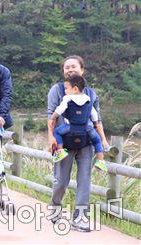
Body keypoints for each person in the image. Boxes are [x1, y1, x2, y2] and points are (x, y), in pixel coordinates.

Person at [47, 55, 109, 232]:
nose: (70, 70)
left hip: (86, 142)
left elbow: (97, 120)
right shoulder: (58, 90)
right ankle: (55, 206)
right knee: (61, 181)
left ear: (82, 70)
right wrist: (51, 137)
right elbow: (50, 115)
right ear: (63, 71)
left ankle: (79, 218)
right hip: (63, 142)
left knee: (84, 180)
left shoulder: (91, 94)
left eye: (74, 67)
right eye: (66, 67)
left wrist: (103, 140)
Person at [50, 74, 107, 171]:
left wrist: (53, 117)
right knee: (97, 141)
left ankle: (60, 151)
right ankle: (100, 161)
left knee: (57, 132)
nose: (65, 91)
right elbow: (94, 114)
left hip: (70, 127)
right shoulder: (87, 99)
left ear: (75, 89)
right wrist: (95, 123)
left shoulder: (67, 98)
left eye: (67, 88)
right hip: (87, 128)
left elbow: (60, 109)